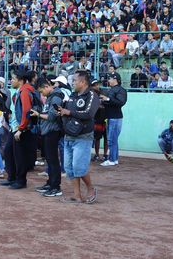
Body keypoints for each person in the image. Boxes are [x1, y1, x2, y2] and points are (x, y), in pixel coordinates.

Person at [59, 70, 100, 204]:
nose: (73, 83)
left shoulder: (92, 95)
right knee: (69, 167)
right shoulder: (73, 95)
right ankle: (77, 195)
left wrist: (69, 112)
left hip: (83, 136)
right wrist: (61, 112)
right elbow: (68, 112)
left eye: (75, 80)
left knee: (78, 167)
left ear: (82, 82)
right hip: (69, 135)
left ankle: (91, 188)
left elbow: (89, 114)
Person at [0, 70, 37, 190]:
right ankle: (12, 177)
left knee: (19, 155)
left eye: (13, 79)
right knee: (9, 152)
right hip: (14, 127)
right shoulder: (20, 91)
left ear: (20, 80)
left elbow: (26, 111)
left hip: (21, 128)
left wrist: (21, 128)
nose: (11, 81)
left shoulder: (25, 91)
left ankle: (21, 180)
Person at [31, 77, 65, 197]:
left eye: (41, 91)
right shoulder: (51, 97)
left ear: (46, 86)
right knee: (50, 160)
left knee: (53, 160)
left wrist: (38, 114)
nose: (42, 94)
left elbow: (51, 116)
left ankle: (56, 186)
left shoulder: (56, 97)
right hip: (48, 131)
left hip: (52, 131)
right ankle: (50, 183)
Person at [100, 72, 127, 167]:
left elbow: (120, 102)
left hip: (115, 118)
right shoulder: (112, 89)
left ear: (115, 79)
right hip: (112, 117)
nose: (108, 80)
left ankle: (111, 159)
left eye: (110, 79)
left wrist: (107, 99)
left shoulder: (121, 90)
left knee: (111, 140)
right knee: (113, 140)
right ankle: (114, 159)